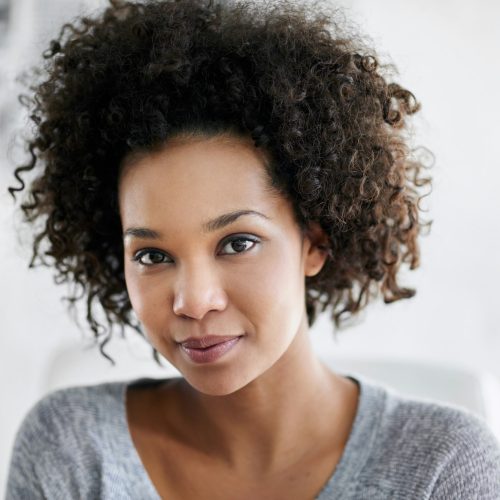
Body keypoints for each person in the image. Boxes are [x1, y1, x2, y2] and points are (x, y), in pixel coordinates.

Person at [5, 0, 500, 498]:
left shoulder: (444, 466)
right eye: (153, 256)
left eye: (237, 243)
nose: (194, 302)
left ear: (315, 240)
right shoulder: (71, 450)